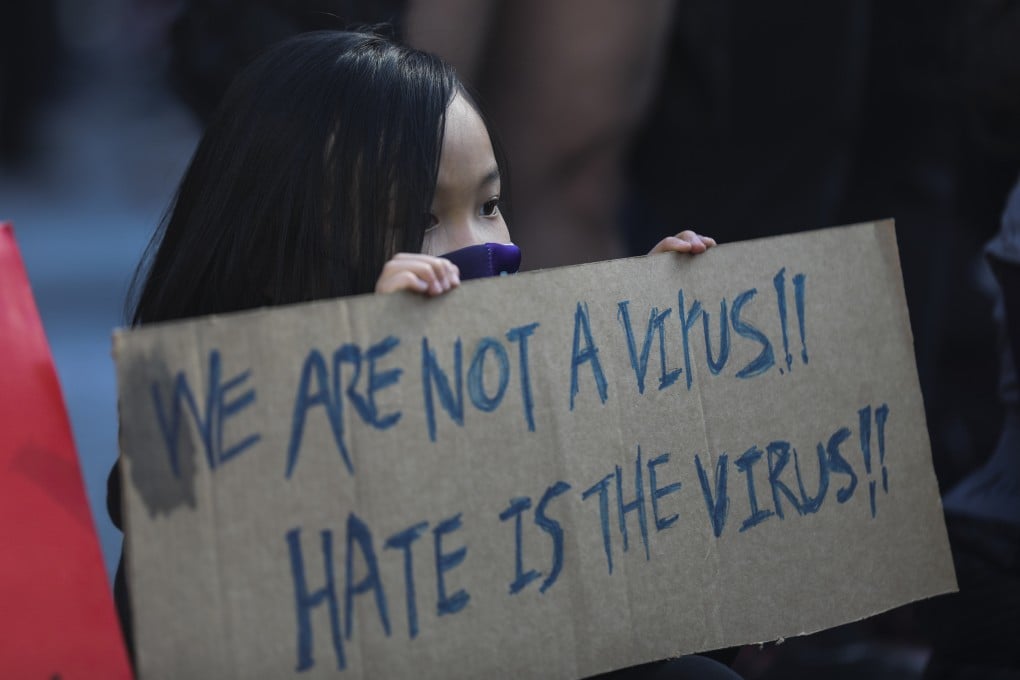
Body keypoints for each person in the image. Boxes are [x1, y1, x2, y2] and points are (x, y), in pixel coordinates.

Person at [107, 29, 726, 677]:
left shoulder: (523, 389)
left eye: (489, 205)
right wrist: (369, 387)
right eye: (420, 219)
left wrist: (642, 382)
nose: (475, 249)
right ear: (280, 253)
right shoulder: (205, 439)